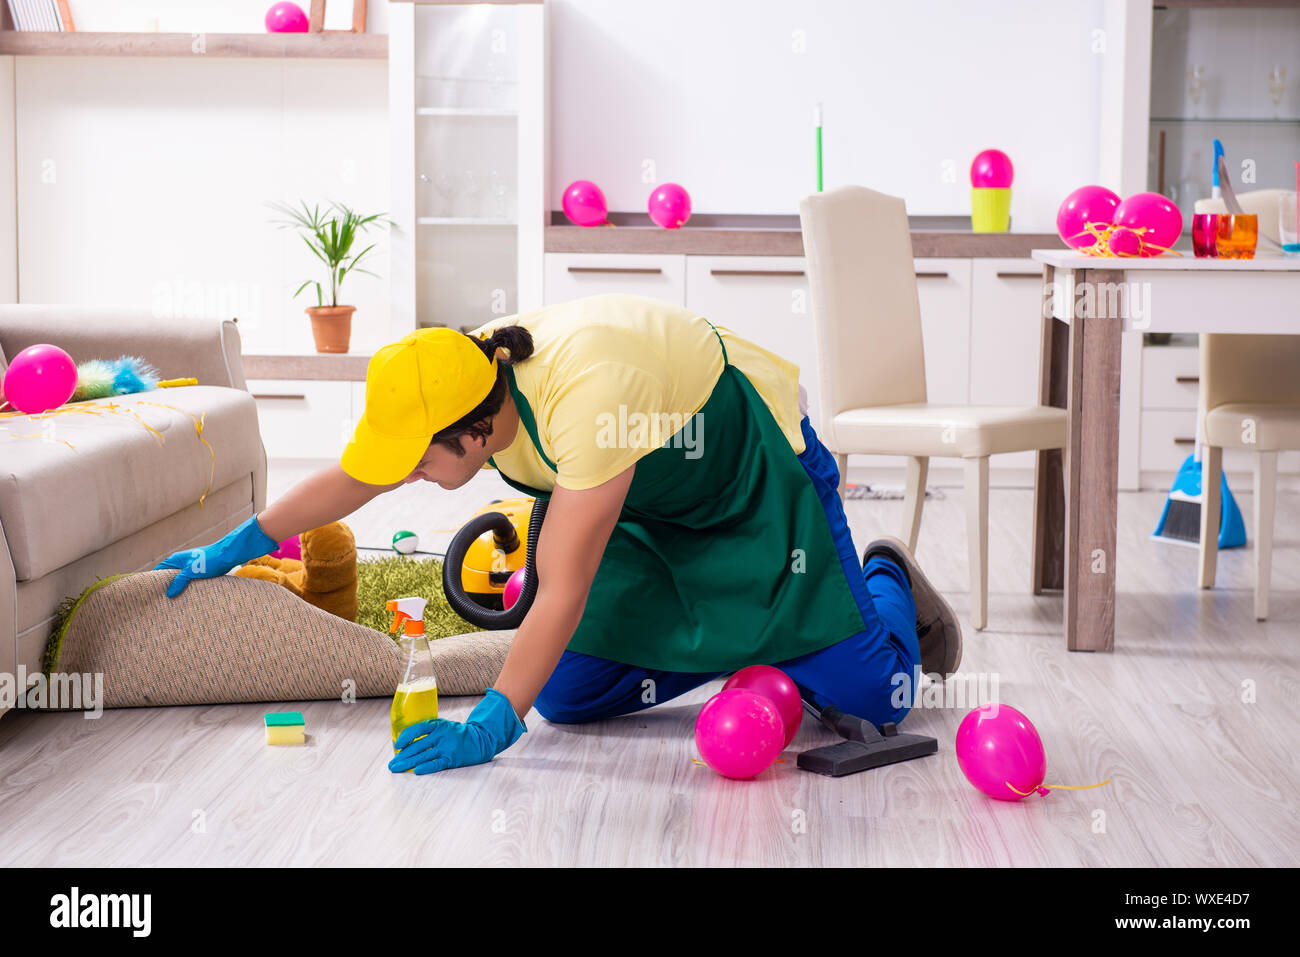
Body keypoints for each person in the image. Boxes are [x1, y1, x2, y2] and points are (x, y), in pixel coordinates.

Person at [156, 293, 961, 774]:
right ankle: (766, 643)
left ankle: (884, 579)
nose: (405, 477)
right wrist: (232, 545)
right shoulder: (462, 375)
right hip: (641, 509)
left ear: (473, 433)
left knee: (878, 694)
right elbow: (353, 478)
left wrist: (489, 726)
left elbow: (565, 585)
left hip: (755, 483)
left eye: (419, 462)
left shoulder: (588, 396)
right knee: (570, 695)